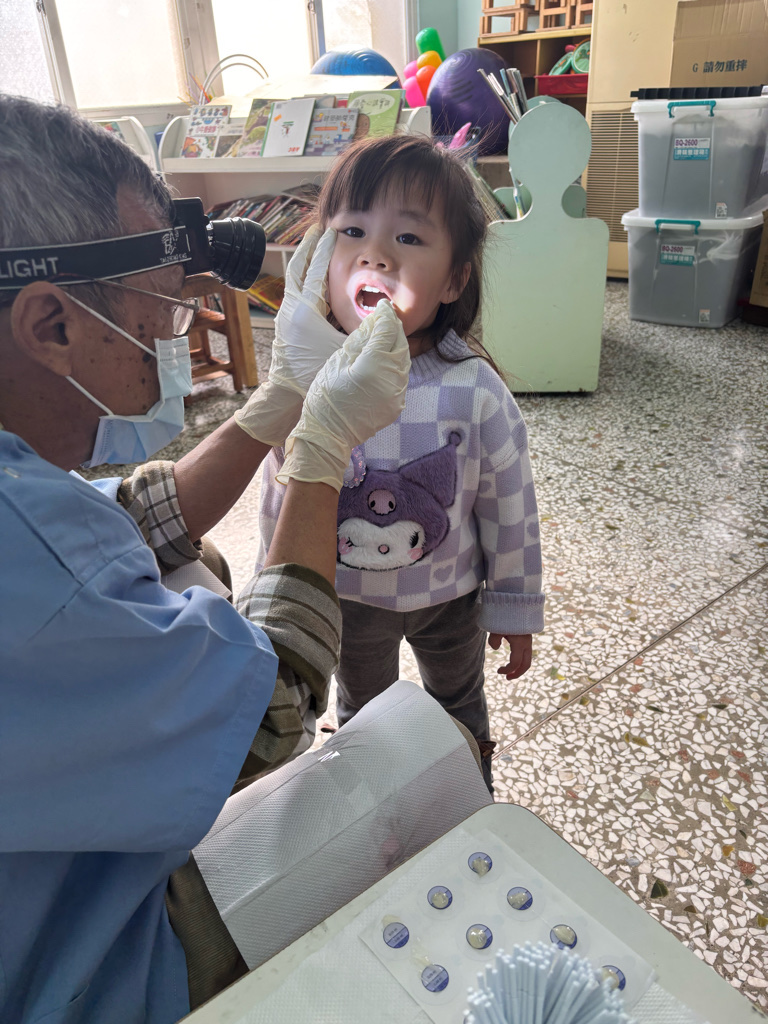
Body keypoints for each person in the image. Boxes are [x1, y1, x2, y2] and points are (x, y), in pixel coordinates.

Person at [0, 95, 413, 1024]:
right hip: (60, 976)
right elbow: (275, 709)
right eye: (160, 314)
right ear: (50, 323)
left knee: (201, 571)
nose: (170, 343)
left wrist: (281, 399)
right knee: (419, 764)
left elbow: (111, 524)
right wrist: (320, 451)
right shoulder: (36, 565)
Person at [257, 134, 546, 791]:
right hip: (348, 601)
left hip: (452, 602)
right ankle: (370, 810)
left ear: (454, 279)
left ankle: (466, 800)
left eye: (409, 238)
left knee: (458, 705)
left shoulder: (474, 390)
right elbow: (281, 496)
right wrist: (270, 595)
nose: (375, 255)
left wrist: (515, 605)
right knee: (362, 717)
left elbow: (510, 506)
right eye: (352, 231)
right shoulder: (306, 378)